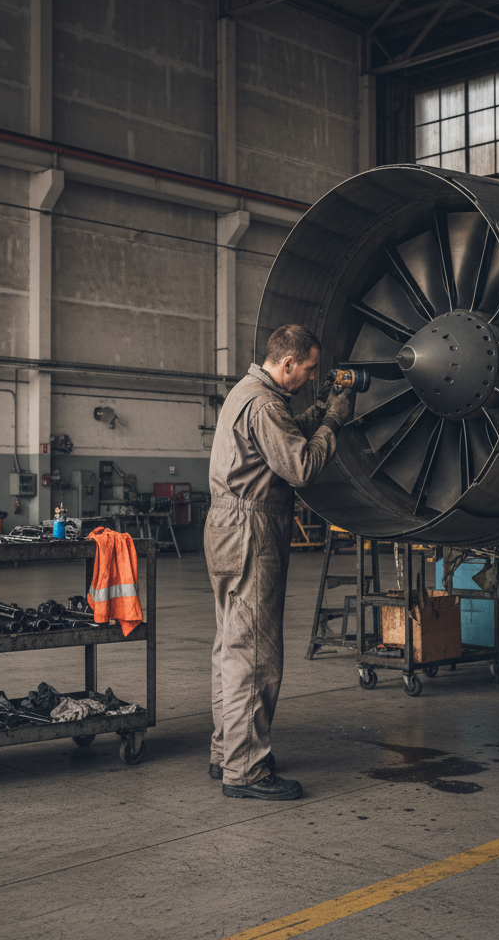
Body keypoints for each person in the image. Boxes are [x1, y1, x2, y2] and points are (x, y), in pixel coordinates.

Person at [205, 324, 353, 800]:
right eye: (309, 369)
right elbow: (301, 466)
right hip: (251, 530)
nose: (312, 377)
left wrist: (318, 410)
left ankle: (226, 751)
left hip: (227, 526)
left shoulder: (246, 393)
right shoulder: (267, 405)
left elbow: (281, 439)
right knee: (254, 653)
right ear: (286, 364)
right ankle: (246, 770)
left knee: (231, 644)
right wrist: (333, 421)